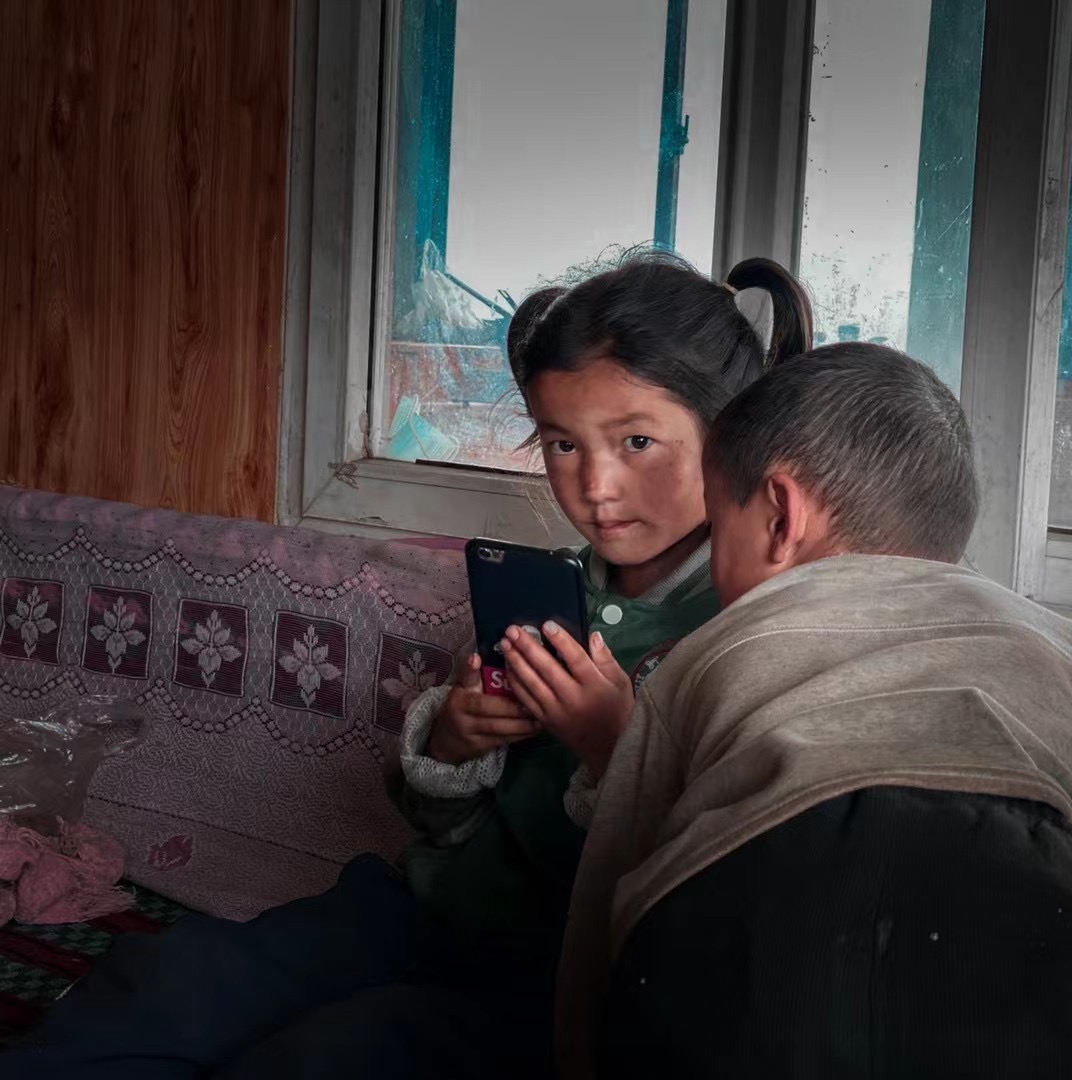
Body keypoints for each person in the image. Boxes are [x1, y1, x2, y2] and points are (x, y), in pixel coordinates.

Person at [2, 253, 812, 1080]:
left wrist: (615, 749)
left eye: (637, 441)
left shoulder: (744, 633)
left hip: (563, 970)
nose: (596, 485)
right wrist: (456, 743)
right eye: (563, 444)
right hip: (417, 909)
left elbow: (719, 896)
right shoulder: (543, 589)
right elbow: (440, 827)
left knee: (328, 1057)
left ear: (729, 438)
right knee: (168, 985)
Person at [502, 343, 1072, 1080]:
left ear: (780, 515)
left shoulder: (703, 658)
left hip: (759, 966)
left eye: (717, 519)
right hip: (1047, 958)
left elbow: (609, 911)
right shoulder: (1050, 643)